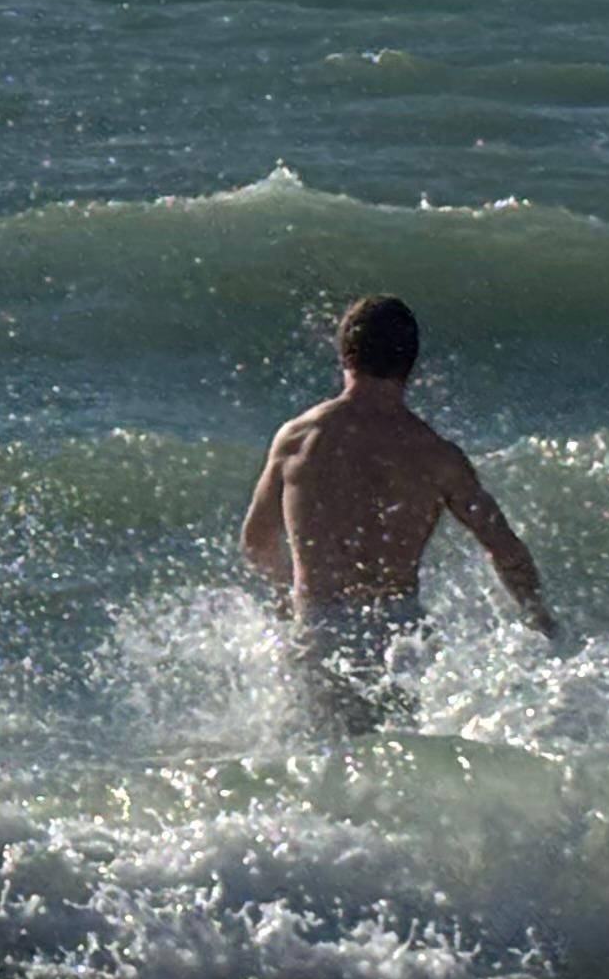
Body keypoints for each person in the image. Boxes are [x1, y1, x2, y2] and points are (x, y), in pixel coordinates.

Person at [238, 296, 561, 733]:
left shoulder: (300, 438)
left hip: (321, 628)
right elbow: (505, 550)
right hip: (398, 635)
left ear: (344, 354)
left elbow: (256, 541)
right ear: (410, 364)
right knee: (398, 755)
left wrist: (285, 600)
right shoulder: (437, 455)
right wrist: (540, 619)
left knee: (317, 757)